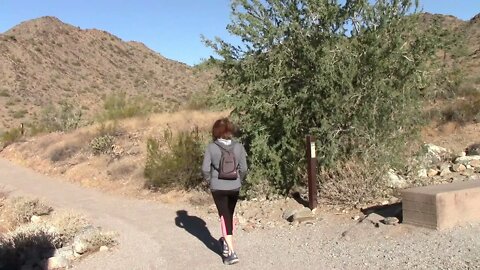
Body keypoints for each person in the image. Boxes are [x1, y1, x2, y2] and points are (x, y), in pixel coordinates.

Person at [202, 118, 248, 265]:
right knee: (229, 215)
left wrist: (210, 180)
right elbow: (244, 168)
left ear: (216, 131)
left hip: (218, 187)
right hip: (234, 186)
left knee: (224, 216)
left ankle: (231, 252)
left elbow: (204, 169)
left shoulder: (211, 147)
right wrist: (239, 180)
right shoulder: (239, 147)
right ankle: (226, 244)